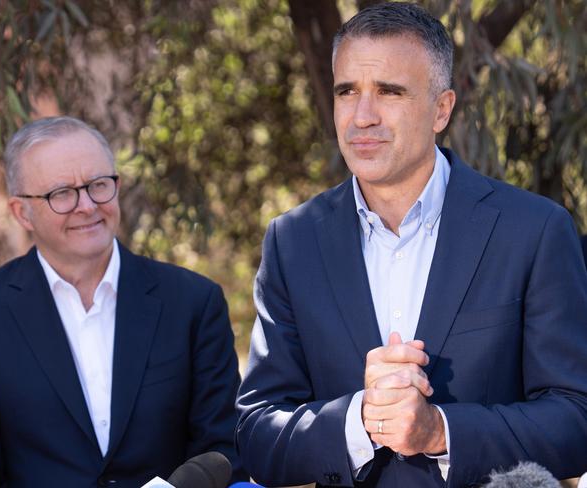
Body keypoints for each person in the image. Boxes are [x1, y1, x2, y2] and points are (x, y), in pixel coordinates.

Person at [236, 3, 587, 487]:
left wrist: (440, 431)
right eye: (347, 92)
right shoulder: (292, 242)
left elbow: (575, 420)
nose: (362, 116)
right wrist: (359, 420)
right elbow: (256, 433)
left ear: (441, 109)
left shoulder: (534, 231)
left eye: (389, 91)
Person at [0, 116, 245, 487]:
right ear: (22, 212)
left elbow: (224, 453)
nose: (87, 205)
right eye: (61, 193)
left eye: (98, 185)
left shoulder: (194, 302)